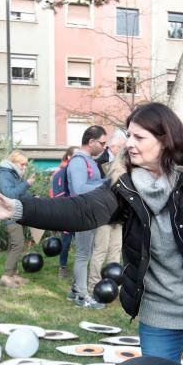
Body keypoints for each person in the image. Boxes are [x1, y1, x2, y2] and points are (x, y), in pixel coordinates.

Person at [0, 102, 183, 365]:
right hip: (160, 313)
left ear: (164, 140)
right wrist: (19, 208)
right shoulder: (125, 184)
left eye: (139, 137)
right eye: (128, 134)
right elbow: (81, 210)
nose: (128, 143)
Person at [65, 125, 108, 309]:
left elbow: (92, 183)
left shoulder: (89, 160)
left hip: (89, 213)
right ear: (91, 142)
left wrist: (106, 181)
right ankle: (82, 296)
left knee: (85, 253)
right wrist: (106, 184)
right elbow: (79, 189)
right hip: (81, 213)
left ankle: (75, 290)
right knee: (83, 255)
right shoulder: (78, 162)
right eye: (102, 143)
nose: (104, 147)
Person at [89, 129, 126, 291]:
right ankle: (94, 284)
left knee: (115, 250)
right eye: (122, 147)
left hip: (119, 214)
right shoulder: (98, 161)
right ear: (113, 146)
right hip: (103, 213)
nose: (125, 149)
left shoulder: (126, 162)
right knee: (100, 250)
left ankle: (113, 283)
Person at [0, 150, 34, 287]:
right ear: (14, 162)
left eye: (26, 165)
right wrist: (27, 184)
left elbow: (20, 194)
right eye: (23, 164)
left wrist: (33, 199)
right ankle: (6, 276)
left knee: (14, 244)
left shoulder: (14, 174)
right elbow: (9, 194)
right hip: (9, 213)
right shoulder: (5, 174)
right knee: (18, 244)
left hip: (16, 213)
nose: (24, 167)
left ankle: (13, 274)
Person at [51, 146, 77, 278]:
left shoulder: (79, 171)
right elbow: (57, 195)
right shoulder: (60, 173)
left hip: (80, 214)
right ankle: (63, 267)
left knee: (81, 244)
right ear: (69, 157)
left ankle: (79, 270)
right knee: (65, 243)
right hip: (66, 214)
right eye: (76, 155)